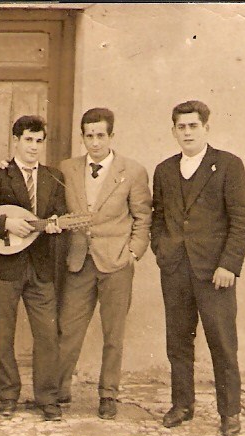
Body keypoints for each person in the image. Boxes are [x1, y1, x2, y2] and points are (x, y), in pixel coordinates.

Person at [151, 100, 245, 436]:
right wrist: (162, 250)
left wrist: (229, 265)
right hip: (175, 270)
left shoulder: (227, 165)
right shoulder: (164, 170)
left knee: (222, 343)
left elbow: (244, 220)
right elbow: (158, 218)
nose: (187, 133)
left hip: (215, 273)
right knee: (178, 342)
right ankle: (182, 405)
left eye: (193, 126)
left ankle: (229, 412)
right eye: (181, 127)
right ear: (173, 131)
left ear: (206, 128)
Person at [0, 115, 66, 421]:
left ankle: (47, 398)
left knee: (47, 335)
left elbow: (60, 215)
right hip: (3, 267)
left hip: (41, 268)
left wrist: (57, 225)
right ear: (16, 141)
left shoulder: (54, 177)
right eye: (28, 140)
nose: (33, 147)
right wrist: (5, 223)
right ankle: (7, 395)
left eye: (39, 141)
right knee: (3, 334)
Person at [56, 108, 152, 419]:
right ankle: (59, 390)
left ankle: (108, 394)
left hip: (116, 263)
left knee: (113, 333)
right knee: (68, 328)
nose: (95, 142)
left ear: (111, 136)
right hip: (78, 261)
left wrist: (133, 252)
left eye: (100, 135)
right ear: (82, 137)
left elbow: (143, 217)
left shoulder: (132, 171)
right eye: (89, 136)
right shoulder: (68, 169)